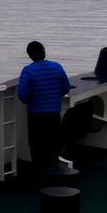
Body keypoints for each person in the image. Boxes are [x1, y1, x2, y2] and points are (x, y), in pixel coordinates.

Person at [17, 41, 71, 183]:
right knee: (53, 148)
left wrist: (35, 99)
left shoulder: (28, 71)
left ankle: (39, 179)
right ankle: (53, 179)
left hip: (36, 116)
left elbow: (23, 95)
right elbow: (66, 87)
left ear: (30, 55)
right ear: (44, 51)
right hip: (53, 115)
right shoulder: (57, 67)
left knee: (37, 148)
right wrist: (53, 96)